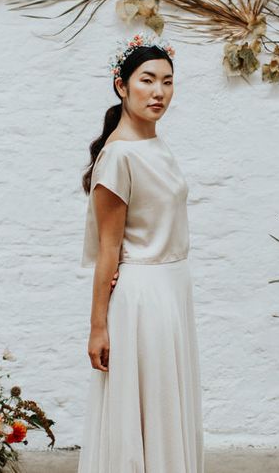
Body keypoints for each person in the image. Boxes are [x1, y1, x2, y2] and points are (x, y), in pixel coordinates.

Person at [77, 31, 204, 472]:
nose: (159, 91)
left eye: (167, 81)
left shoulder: (155, 145)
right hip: (143, 297)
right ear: (121, 84)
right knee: (144, 410)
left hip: (173, 288)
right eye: (147, 80)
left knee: (167, 404)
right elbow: (108, 250)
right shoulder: (118, 157)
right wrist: (98, 327)